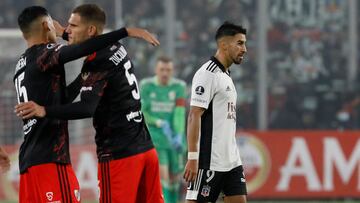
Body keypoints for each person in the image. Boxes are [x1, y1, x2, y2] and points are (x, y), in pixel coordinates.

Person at [15, 4, 164, 203]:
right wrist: (123, 33)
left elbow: (86, 106)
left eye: (72, 25)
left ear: (91, 29)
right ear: (46, 24)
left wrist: (45, 110)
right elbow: (85, 45)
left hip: (118, 153)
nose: (65, 29)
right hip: (144, 147)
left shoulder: (22, 63)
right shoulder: (116, 48)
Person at [183, 21, 248, 203]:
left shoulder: (226, 74)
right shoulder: (207, 74)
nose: (245, 49)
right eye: (240, 43)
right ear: (224, 45)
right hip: (209, 161)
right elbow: (194, 115)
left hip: (232, 161)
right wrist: (193, 158)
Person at [140, 56, 187, 203]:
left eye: (168, 70)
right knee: (163, 176)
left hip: (174, 140)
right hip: (156, 139)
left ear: (173, 71)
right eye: (162, 69)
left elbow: (179, 112)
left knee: (175, 180)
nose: (165, 73)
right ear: (156, 70)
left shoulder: (179, 86)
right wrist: (158, 122)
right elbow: (142, 113)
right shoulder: (146, 86)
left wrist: (178, 135)